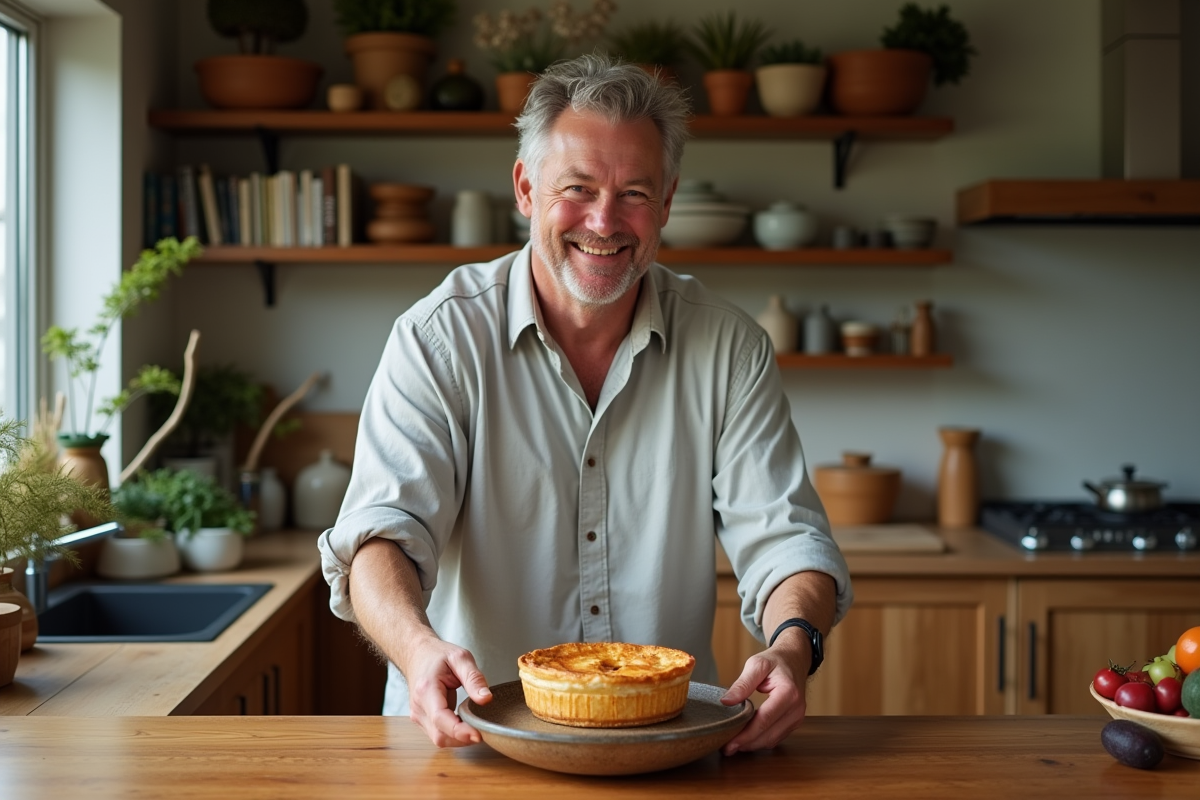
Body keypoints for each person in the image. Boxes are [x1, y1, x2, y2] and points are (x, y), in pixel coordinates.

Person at [317, 53, 853, 756]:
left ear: (666, 203)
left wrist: (793, 646)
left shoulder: (729, 347)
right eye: (577, 188)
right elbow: (381, 533)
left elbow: (785, 541)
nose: (604, 221)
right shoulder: (437, 339)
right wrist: (418, 650)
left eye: (634, 192)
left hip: (667, 745)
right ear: (525, 187)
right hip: (464, 739)